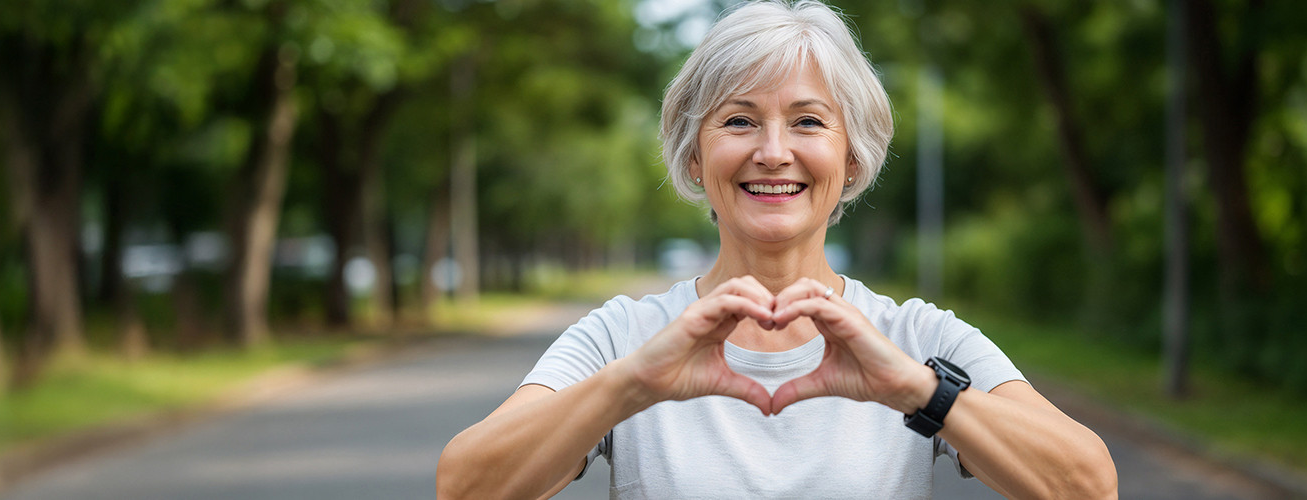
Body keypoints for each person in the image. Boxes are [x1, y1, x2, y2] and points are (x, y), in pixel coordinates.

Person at [436, 1, 1118, 498]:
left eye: (808, 122)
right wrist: (633, 385)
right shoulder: (626, 338)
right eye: (738, 120)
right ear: (695, 157)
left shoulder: (919, 339)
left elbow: (1087, 485)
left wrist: (915, 389)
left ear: (851, 159)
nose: (772, 151)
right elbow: (465, 487)